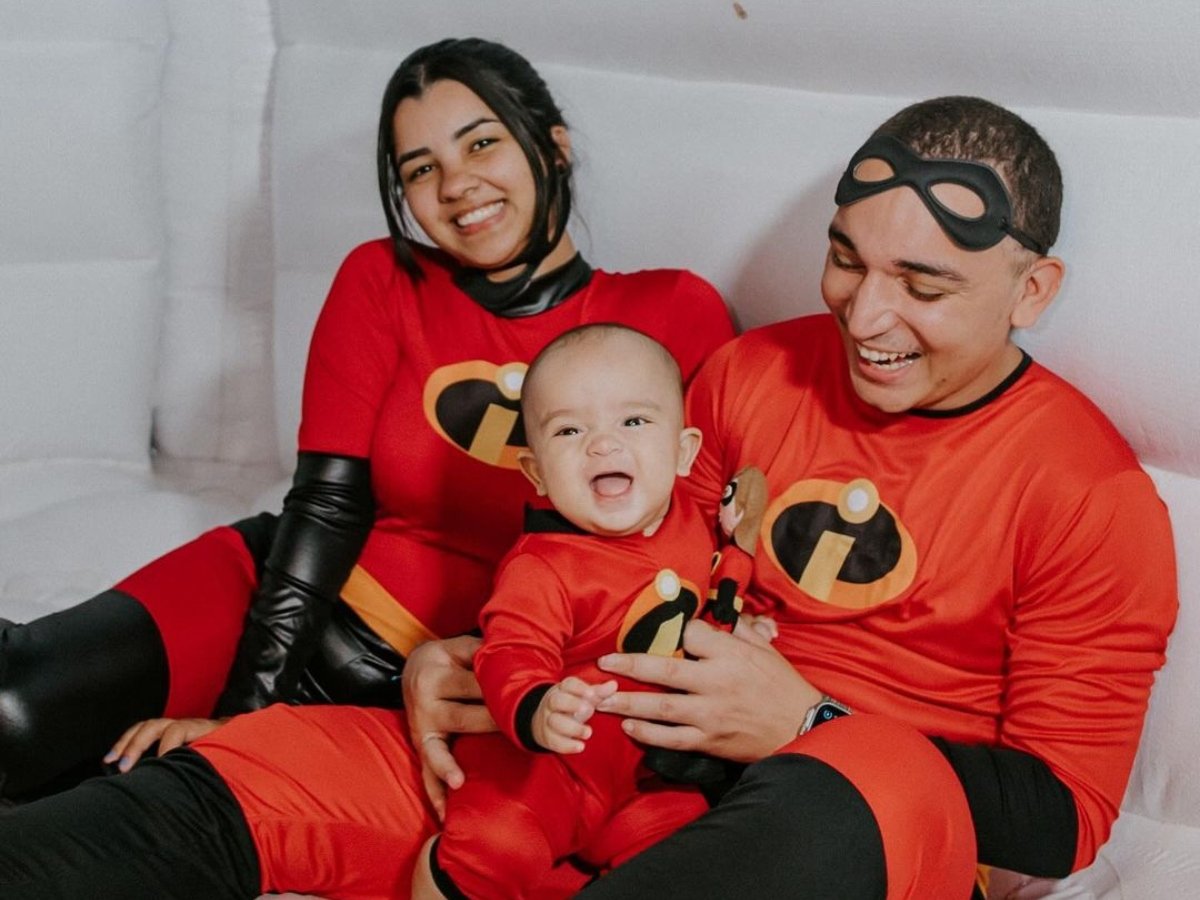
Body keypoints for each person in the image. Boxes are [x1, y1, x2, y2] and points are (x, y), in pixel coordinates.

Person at [0, 35, 734, 897]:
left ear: (555, 143)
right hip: (286, 590)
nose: (456, 184)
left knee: (128, 816)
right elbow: (325, 505)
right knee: (16, 709)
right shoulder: (381, 277)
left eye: (482, 141)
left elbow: (678, 547)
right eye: (419, 167)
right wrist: (245, 711)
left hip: (459, 679)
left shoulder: (669, 311)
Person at [571, 96, 1178, 898]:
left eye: (922, 285)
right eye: (848, 261)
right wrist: (510, 661)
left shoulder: (1090, 495)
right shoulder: (750, 372)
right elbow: (629, 571)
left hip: (877, 828)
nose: (863, 316)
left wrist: (807, 723)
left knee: (867, 769)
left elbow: (1063, 816)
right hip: (662, 769)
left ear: (1031, 292)